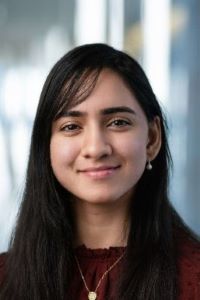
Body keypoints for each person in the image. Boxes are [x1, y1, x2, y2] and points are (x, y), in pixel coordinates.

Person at [0, 43, 199, 300]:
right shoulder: (5, 281)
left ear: (152, 139)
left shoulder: (193, 278)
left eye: (118, 122)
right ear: (46, 145)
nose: (95, 148)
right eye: (71, 126)